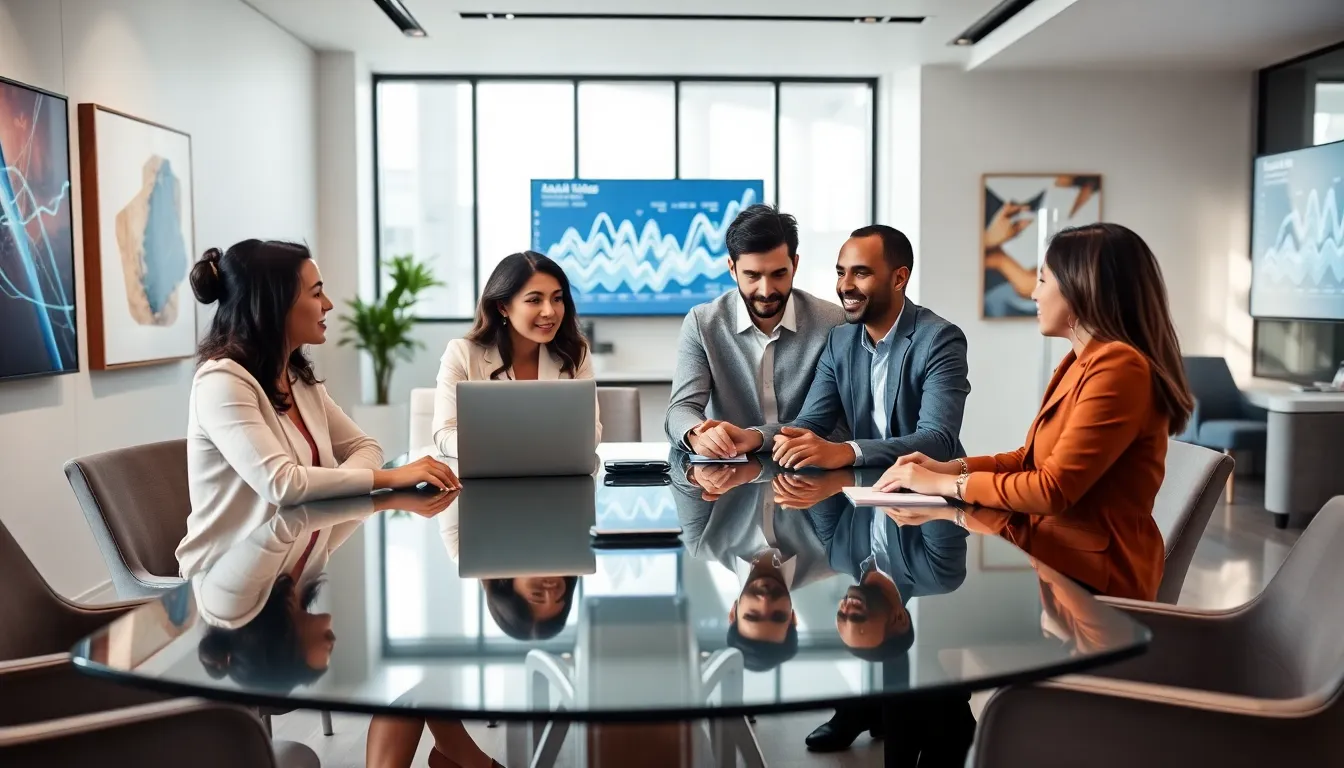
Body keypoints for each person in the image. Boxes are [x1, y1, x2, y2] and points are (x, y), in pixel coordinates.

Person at [877, 222, 1194, 601]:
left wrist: (943, 487)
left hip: (1099, 590)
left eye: (1042, 281)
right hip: (1056, 562)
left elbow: (1052, 489)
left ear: (1081, 288)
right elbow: (1029, 460)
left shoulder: (1119, 367)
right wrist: (948, 468)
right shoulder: (1079, 362)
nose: (1032, 293)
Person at [179, 240, 459, 582]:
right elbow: (283, 484)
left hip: (293, 562)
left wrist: (354, 488)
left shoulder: (296, 377)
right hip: (226, 581)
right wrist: (389, 479)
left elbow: (366, 448)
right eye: (316, 294)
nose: (327, 305)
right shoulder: (221, 381)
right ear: (274, 304)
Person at [693, 224, 970, 472]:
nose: (845, 286)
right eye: (841, 273)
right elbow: (811, 423)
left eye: (861, 273)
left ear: (899, 279)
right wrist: (752, 437)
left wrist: (846, 451)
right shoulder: (841, 340)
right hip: (865, 491)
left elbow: (938, 440)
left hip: (932, 496)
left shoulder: (939, 339)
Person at [664, 204, 845, 457]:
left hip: (810, 476)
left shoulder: (834, 323)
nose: (766, 290)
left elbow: (839, 425)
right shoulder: (702, 323)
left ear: (795, 264)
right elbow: (681, 409)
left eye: (779, 274)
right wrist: (697, 434)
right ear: (732, 268)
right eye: (752, 275)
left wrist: (757, 438)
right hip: (730, 480)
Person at [432, 251, 600, 457]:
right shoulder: (462, 353)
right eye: (534, 300)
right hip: (487, 479)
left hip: (556, 477)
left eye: (557, 298)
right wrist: (508, 453)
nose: (549, 311)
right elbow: (445, 433)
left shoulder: (576, 352)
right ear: (503, 307)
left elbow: (590, 433)